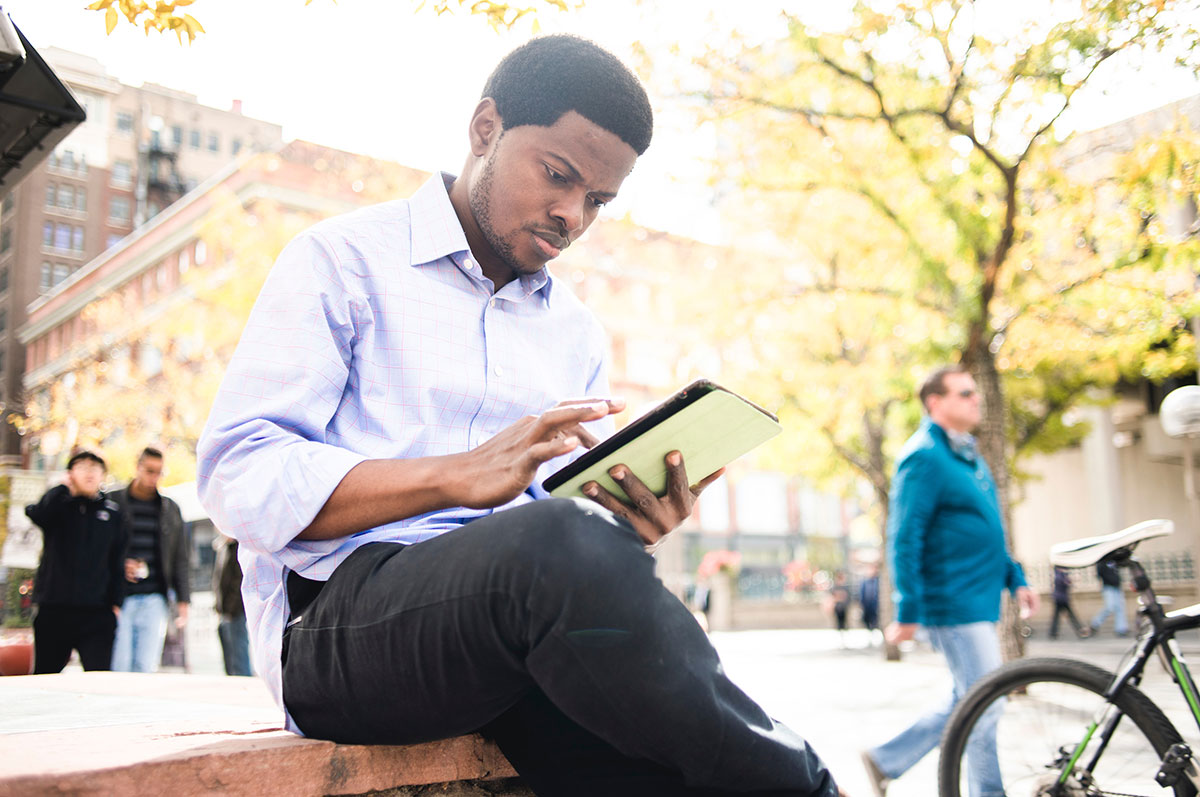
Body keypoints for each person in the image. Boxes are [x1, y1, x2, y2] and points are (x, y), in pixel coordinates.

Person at [197, 35, 840, 797]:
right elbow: (238, 476)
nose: (572, 214)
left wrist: (624, 524)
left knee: (653, 766)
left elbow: (549, 531)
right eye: (559, 176)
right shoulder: (341, 260)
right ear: (484, 130)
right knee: (558, 548)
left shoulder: (575, 333)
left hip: (510, 636)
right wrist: (453, 478)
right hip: (333, 630)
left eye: (599, 200)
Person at [860, 366, 1038, 797]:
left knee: (967, 698)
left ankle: (887, 759)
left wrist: (1015, 577)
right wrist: (907, 610)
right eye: (965, 393)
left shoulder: (968, 455)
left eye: (975, 393)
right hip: (952, 603)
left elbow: (990, 527)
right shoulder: (923, 456)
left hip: (978, 600)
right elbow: (904, 536)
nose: (977, 400)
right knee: (985, 704)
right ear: (935, 402)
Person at [25, 450, 125, 673]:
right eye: (82, 467)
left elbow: (117, 560)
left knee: (98, 677)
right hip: (55, 609)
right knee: (45, 676)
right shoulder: (58, 506)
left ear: (103, 474)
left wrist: (116, 603)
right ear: (70, 473)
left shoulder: (112, 514)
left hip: (97, 612)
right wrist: (62, 488)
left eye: (94, 467)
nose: (89, 472)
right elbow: (38, 514)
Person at [110, 447, 190, 673]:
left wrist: (184, 601)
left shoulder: (169, 508)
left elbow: (180, 557)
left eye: (159, 472)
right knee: (119, 665)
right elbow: (100, 551)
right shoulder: (113, 501)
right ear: (138, 468)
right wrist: (120, 566)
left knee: (145, 668)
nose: (154, 477)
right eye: (149, 470)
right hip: (119, 599)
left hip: (155, 598)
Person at [212, 532, 252, 676]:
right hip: (223, 613)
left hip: (235, 613)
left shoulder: (240, 548)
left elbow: (239, 582)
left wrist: (230, 608)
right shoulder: (223, 548)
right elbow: (218, 580)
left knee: (239, 659)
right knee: (229, 661)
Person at [1089, 559, 1130, 637]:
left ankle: (1121, 629)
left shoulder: (1114, 560)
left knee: (1120, 608)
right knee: (1109, 607)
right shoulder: (1102, 562)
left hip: (1117, 586)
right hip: (1108, 587)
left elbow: (1122, 565)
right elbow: (1099, 574)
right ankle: (1095, 624)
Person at [1049, 565, 1089, 639]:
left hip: (1060, 598)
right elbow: (1065, 583)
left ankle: (1053, 633)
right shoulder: (1060, 575)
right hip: (1062, 599)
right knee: (1071, 615)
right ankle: (1080, 630)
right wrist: (1069, 582)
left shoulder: (1059, 574)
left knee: (1057, 617)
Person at [858, 563, 880, 638]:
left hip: (875, 605)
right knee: (867, 620)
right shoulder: (864, 582)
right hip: (866, 605)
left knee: (875, 620)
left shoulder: (878, 581)